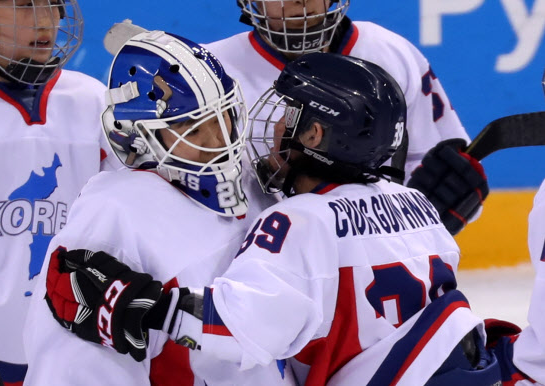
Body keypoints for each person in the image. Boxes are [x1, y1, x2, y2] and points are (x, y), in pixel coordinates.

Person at [45, 53, 544, 385]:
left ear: (315, 136)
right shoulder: (413, 203)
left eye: (290, 114)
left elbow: (243, 330)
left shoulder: (296, 223)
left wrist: (140, 303)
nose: (276, 124)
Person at [23, 30, 294, 385]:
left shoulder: (254, 181)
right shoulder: (116, 215)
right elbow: (76, 369)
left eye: (222, 116)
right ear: (141, 133)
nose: (218, 141)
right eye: (192, 128)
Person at [201, 0, 489, 235]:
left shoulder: (389, 51)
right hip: (262, 266)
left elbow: (442, 166)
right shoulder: (209, 72)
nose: (299, 1)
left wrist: (418, 221)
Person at [0, 0, 121, 384]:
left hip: (75, 360)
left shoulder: (92, 100)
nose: (44, 20)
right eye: (23, 5)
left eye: (53, 6)